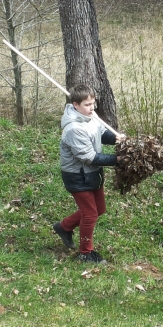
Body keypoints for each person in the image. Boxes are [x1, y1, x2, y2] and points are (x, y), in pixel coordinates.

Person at [52, 85, 124, 263]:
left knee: (99, 209)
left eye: (93, 103)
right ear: (75, 105)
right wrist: (118, 160)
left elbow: (100, 133)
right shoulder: (73, 129)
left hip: (92, 173)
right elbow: (89, 157)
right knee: (90, 214)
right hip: (78, 175)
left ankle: (64, 227)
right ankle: (86, 253)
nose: (92, 108)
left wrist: (115, 138)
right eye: (87, 104)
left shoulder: (90, 117)